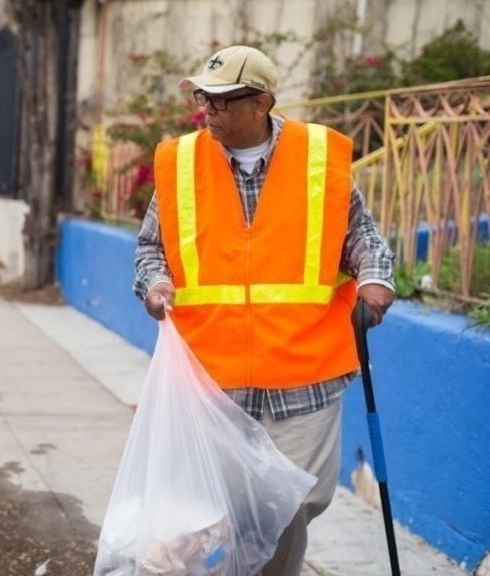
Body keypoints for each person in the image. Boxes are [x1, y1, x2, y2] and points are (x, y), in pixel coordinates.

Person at [134, 45, 396, 575]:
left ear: (263, 104)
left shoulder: (318, 158)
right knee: (212, 515)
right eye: (204, 98)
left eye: (224, 101)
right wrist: (155, 283)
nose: (208, 110)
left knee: (291, 508)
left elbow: (361, 235)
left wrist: (374, 279)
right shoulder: (180, 162)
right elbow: (150, 248)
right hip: (212, 379)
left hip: (306, 376)